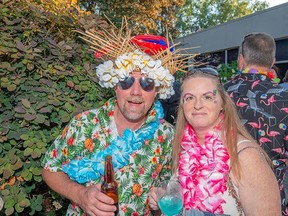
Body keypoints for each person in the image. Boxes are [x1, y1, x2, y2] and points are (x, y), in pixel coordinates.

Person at [41, 20, 193, 216]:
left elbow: (166, 189)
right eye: (127, 81)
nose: (136, 92)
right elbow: (49, 168)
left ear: (157, 90)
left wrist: (160, 198)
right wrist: (80, 194)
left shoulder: (167, 136)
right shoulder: (84, 123)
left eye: (147, 83)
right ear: (115, 85)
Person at [148, 67, 281, 215]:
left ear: (222, 103)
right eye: (189, 97)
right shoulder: (183, 148)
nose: (197, 105)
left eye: (207, 97)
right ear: (182, 106)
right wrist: (160, 203)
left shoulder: (245, 155)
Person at [224, 32, 288, 213]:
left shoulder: (219, 94)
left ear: (241, 60)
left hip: (225, 195)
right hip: (271, 199)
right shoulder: (285, 98)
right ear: (273, 61)